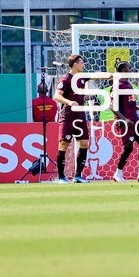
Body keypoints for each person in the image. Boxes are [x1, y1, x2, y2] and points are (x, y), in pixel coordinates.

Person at [110, 61, 139, 183]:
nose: (131, 69)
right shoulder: (117, 86)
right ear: (123, 71)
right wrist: (123, 119)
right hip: (125, 122)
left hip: (135, 119)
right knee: (128, 147)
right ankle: (118, 173)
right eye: (129, 68)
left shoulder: (128, 85)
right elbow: (112, 106)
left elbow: (129, 104)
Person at [53, 54, 91, 183]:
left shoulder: (81, 79)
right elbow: (56, 96)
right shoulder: (65, 80)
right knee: (64, 144)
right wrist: (69, 102)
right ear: (75, 64)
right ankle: (61, 177)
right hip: (68, 116)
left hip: (80, 116)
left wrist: (113, 75)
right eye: (81, 62)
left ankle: (78, 176)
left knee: (84, 143)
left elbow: (96, 76)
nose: (83, 65)